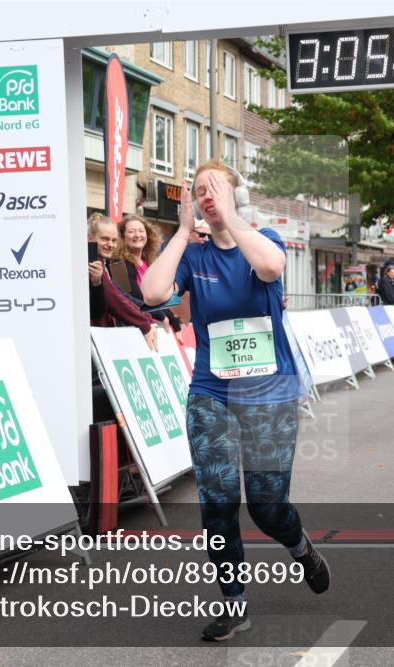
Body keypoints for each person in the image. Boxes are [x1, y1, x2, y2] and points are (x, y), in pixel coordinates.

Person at [141, 161, 329, 642]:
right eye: (199, 190)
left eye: (215, 188)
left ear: (235, 194)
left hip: (270, 395)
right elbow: (152, 293)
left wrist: (234, 218)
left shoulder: (263, 238)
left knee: (267, 506)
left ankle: (300, 546)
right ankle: (234, 604)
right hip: (212, 394)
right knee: (218, 504)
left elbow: (269, 267)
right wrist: (182, 234)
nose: (207, 195)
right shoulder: (193, 254)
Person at [88, 214, 159, 351]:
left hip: (106, 334)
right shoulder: (116, 264)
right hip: (99, 337)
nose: (137, 235)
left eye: (141, 230)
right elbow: (121, 297)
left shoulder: (149, 262)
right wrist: (147, 320)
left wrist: (156, 316)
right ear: (124, 237)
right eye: (131, 231)